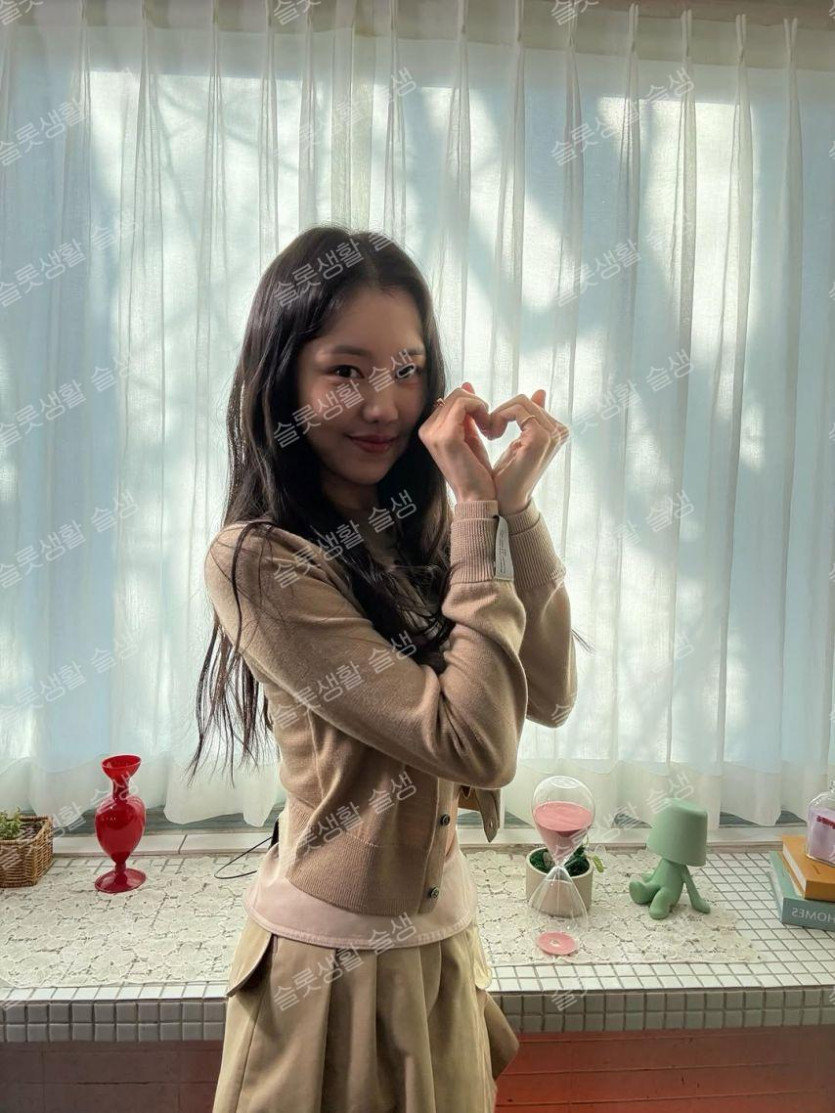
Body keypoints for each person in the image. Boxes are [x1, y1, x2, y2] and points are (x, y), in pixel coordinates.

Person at [191, 224, 581, 1113]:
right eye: (344, 370)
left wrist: (512, 509)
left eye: (406, 368)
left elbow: (551, 693)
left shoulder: (422, 524)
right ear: (281, 379)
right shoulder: (257, 560)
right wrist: (477, 513)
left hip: (440, 944)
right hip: (329, 970)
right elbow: (474, 744)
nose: (383, 404)